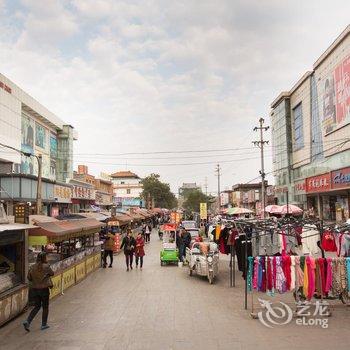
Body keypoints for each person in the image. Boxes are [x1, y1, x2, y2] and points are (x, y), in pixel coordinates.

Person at [23, 252, 54, 332]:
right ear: (44, 258)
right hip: (44, 290)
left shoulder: (32, 266)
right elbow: (52, 273)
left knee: (37, 306)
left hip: (34, 289)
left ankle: (28, 321)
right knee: (45, 307)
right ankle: (44, 324)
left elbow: (29, 278)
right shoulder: (46, 266)